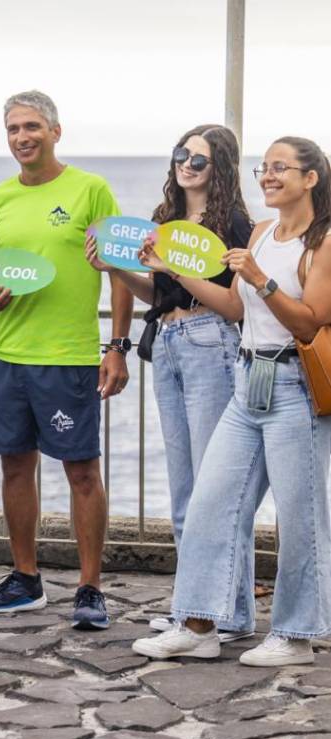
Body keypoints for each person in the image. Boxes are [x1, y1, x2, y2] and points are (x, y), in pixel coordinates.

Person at [133, 137, 331, 666]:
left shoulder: (324, 240)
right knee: (209, 503)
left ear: (310, 178)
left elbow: (310, 321)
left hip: (295, 386)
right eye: (264, 168)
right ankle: (197, 624)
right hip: (247, 382)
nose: (267, 176)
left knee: (301, 513)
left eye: (280, 168)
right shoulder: (264, 234)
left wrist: (261, 280)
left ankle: (295, 635)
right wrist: (173, 269)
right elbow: (230, 308)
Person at [0, 90, 132, 630]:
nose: (22, 137)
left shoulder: (90, 190)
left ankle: (89, 588)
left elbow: (120, 270)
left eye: (32, 126)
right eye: (13, 128)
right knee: (15, 466)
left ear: (56, 131)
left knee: (82, 470)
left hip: (69, 357)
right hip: (7, 355)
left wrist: (117, 346)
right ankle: (25, 579)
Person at [84, 125, 254, 641]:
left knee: (215, 489)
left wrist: (172, 270)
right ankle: (195, 608)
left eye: (199, 160)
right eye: (182, 155)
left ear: (219, 167)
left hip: (212, 341)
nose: (187, 165)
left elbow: (237, 305)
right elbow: (156, 292)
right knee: (184, 488)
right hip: (171, 343)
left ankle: (232, 613)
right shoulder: (166, 222)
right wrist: (117, 267)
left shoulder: (234, 224)